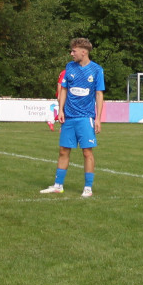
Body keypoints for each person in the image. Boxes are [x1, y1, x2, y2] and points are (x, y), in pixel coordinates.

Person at [40, 38, 105, 197]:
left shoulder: (96, 70)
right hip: (69, 117)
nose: (71, 53)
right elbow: (64, 89)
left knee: (87, 152)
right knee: (63, 151)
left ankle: (88, 188)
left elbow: (99, 94)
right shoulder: (69, 67)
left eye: (74, 51)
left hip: (85, 117)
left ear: (84, 52)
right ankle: (58, 185)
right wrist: (60, 110)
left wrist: (98, 119)